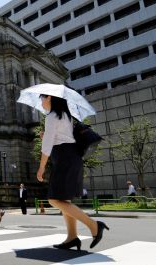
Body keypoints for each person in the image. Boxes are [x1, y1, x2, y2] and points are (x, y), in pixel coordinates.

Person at [37, 94, 108, 250]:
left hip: (64, 158)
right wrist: (46, 136)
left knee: (54, 199)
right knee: (64, 200)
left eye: (41, 98)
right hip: (70, 156)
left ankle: (94, 225)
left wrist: (41, 167)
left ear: (49, 98)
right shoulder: (65, 115)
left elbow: (48, 146)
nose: (40, 101)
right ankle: (72, 237)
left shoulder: (52, 116)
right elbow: (60, 137)